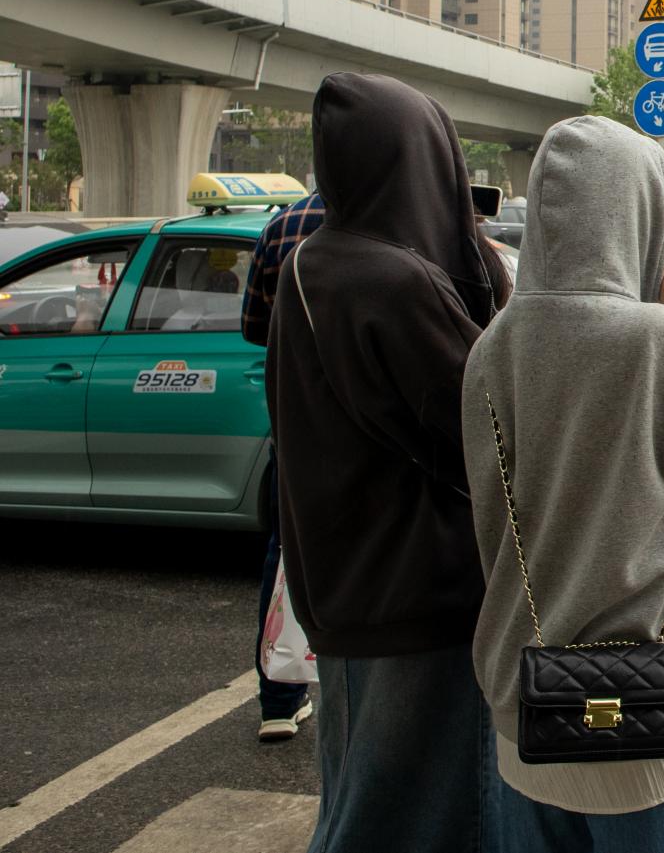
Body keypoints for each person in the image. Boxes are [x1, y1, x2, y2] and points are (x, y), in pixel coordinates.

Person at [463, 117, 664, 849]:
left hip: (528, 700)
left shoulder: (491, 348)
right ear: (644, 213)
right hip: (657, 704)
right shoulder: (656, 340)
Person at [268, 73, 509, 853]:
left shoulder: (312, 262)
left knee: (361, 800)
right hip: (421, 596)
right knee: (417, 819)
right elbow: (492, 420)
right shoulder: (396, 281)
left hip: (345, 589)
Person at [239, 187, 327, 744]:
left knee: (286, 551)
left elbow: (252, 325)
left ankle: (279, 697)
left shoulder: (281, 226)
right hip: (369, 426)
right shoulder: (392, 213)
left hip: (294, 419)